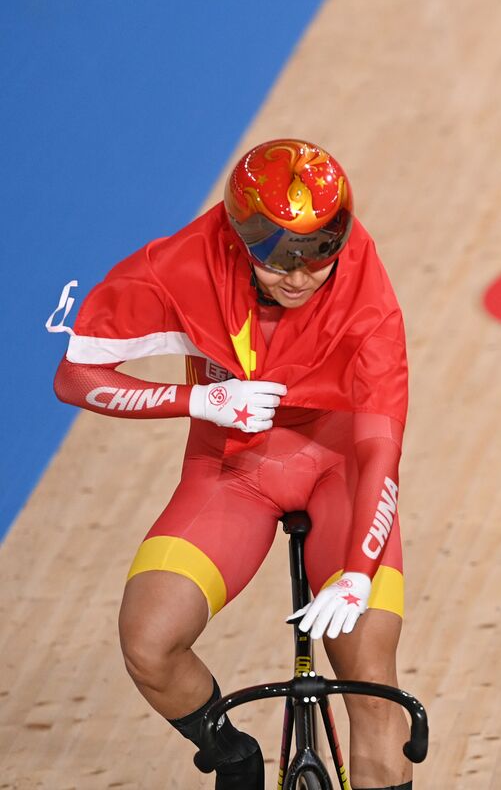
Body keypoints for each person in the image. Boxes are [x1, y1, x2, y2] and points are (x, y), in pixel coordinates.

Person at [50, 139, 413, 790]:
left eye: (320, 251)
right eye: (278, 256)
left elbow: (381, 449)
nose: (300, 276)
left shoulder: (366, 289)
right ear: (238, 235)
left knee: (372, 687)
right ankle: (234, 758)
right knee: (149, 643)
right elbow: (74, 376)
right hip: (233, 467)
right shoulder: (182, 263)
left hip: (341, 466)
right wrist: (199, 400)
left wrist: (358, 576)